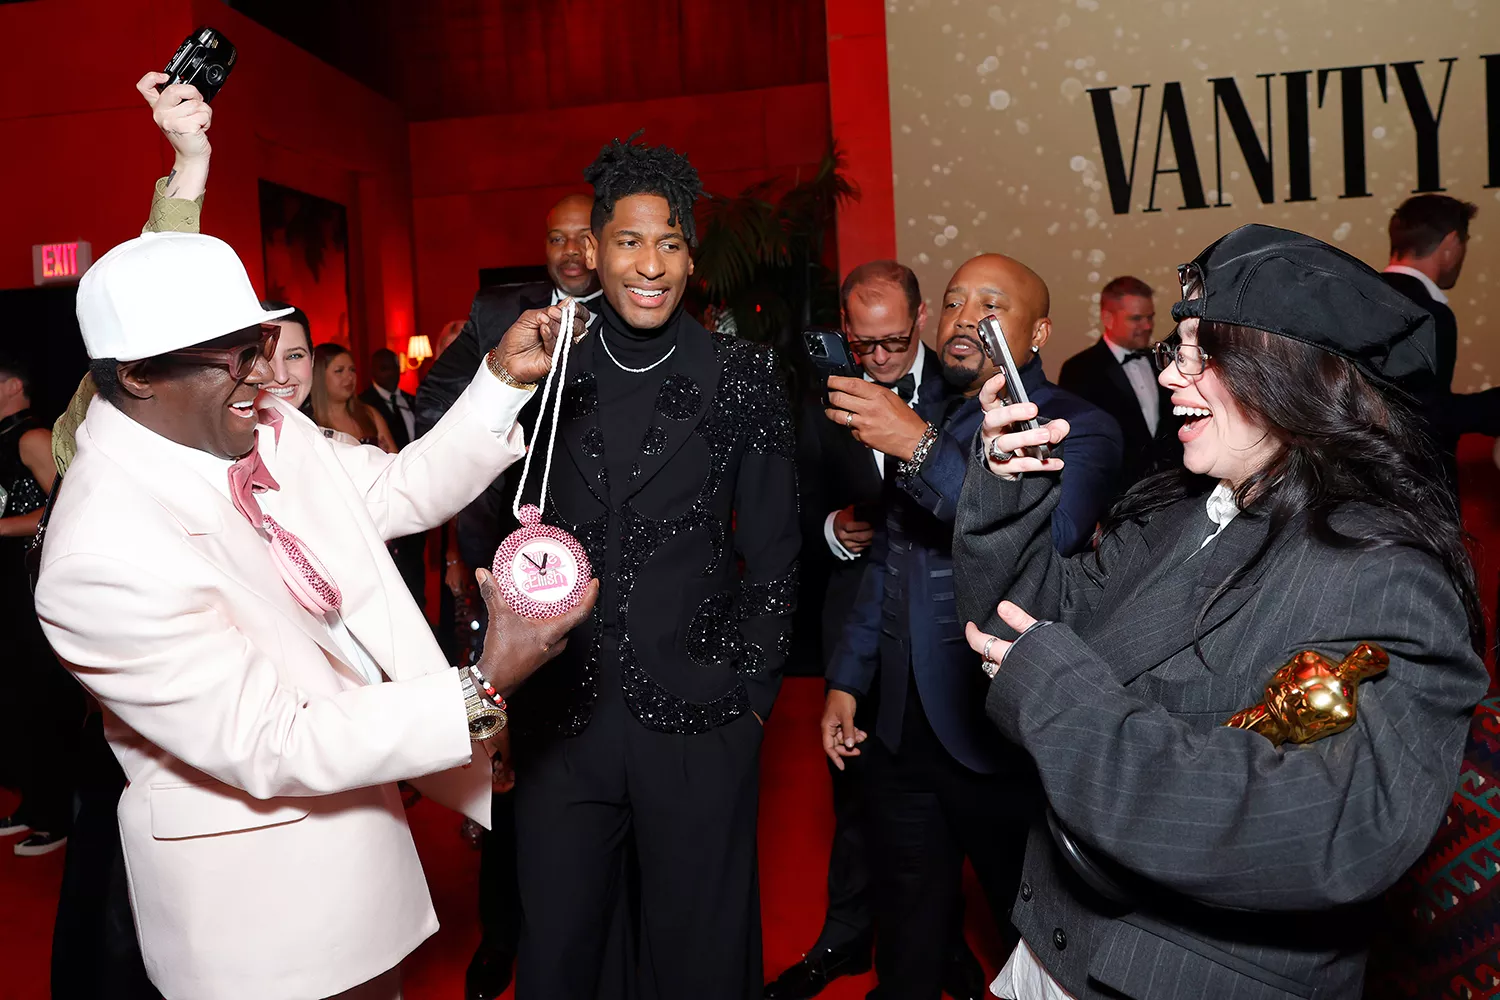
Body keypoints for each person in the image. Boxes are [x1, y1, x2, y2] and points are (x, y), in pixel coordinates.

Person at [33, 217, 598, 1000]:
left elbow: (396, 490)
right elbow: (274, 740)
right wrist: (482, 686)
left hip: (362, 848)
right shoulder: (98, 558)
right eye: (238, 356)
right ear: (137, 376)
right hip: (259, 919)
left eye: (261, 345)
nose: (268, 376)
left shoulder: (258, 425)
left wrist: (501, 380)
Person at [957, 224, 1487, 1000]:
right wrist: (1009, 490)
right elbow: (1024, 628)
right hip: (1050, 949)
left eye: (1204, 355)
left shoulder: (1388, 578)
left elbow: (1332, 830)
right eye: (1178, 350)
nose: (1174, 375)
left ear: (1293, 376)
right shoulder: (1185, 511)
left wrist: (1064, 701)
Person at [509, 134, 799, 1000]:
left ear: (691, 259)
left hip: (702, 718)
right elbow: (497, 526)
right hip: (563, 716)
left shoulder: (742, 375)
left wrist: (753, 699)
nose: (651, 263)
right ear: (591, 251)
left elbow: (776, 551)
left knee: (700, 957)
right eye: (630, 241)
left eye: (670, 243)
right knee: (560, 951)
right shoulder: (541, 371)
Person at [820, 253, 1121, 1000]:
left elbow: (1048, 541)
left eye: (991, 303)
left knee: (1038, 953)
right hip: (901, 732)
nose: (964, 317)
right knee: (911, 944)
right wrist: (847, 680)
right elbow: (894, 558)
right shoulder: (938, 419)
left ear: (1040, 329)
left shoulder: (1080, 425)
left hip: (1003, 736)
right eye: (954, 302)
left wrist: (918, 445)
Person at [772, 260, 985, 1000]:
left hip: (944, 623)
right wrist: (832, 529)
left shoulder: (962, 391)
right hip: (855, 616)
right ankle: (848, 934)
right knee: (860, 794)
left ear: (921, 320)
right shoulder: (813, 396)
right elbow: (785, 510)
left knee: (953, 791)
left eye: (894, 341)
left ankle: (940, 942)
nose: (879, 359)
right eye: (863, 346)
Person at [414, 191, 605, 1000]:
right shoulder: (499, 311)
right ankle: (502, 932)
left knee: (592, 751)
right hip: (504, 560)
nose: (569, 250)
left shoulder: (646, 308)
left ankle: (593, 923)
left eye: (582, 236)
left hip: (601, 570)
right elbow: (433, 401)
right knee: (502, 747)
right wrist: (507, 412)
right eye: (555, 236)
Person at [0, 353, 79, 858]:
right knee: (17, 699)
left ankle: (56, 815)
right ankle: (33, 804)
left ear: (11, 386)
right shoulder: (8, 438)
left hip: (29, 587)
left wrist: (4, 527)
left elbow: (67, 505)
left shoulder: (32, 436)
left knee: (43, 698)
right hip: (7, 587)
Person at [1380, 195, 1500, 500]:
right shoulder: (1429, 314)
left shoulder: (1365, 295)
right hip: (1417, 493)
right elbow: (1420, 414)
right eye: (1464, 243)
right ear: (1450, 243)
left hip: (1369, 488)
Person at [1058, 276, 1181, 495]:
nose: (1147, 326)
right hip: (1110, 497)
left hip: (1166, 491)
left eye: (1150, 317)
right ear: (1107, 318)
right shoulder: (1079, 369)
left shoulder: (1161, 361)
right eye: (1136, 319)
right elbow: (1078, 445)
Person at [361, 347, 428, 610]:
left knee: (417, 573)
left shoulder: (413, 401)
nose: (392, 375)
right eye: (384, 368)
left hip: (419, 497)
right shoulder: (366, 406)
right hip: (386, 500)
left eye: (394, 368)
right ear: (374, 371)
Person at [310, 343, 396, 451]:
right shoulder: (309, 423)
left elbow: (395, 460)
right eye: (339, 371)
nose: (349, 377)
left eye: (352, 370)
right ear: (319, 376)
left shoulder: (370, 414)